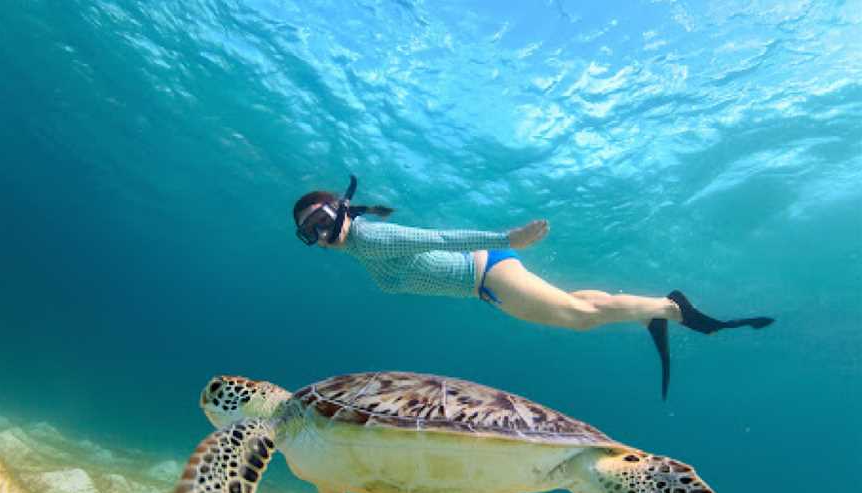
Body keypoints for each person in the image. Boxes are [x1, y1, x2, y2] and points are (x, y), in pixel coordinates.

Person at [294, 175, 774, 399]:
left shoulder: (368, 236)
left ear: (339, 208)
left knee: (578, 320)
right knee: (578, 306)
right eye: (307, 233)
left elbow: (438, 237)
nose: (318, 235)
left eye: (318, 220)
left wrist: (509, 238)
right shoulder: (360, 245)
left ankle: (673, 310)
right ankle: (654, 309)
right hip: (486, 279)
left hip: (485, 274)